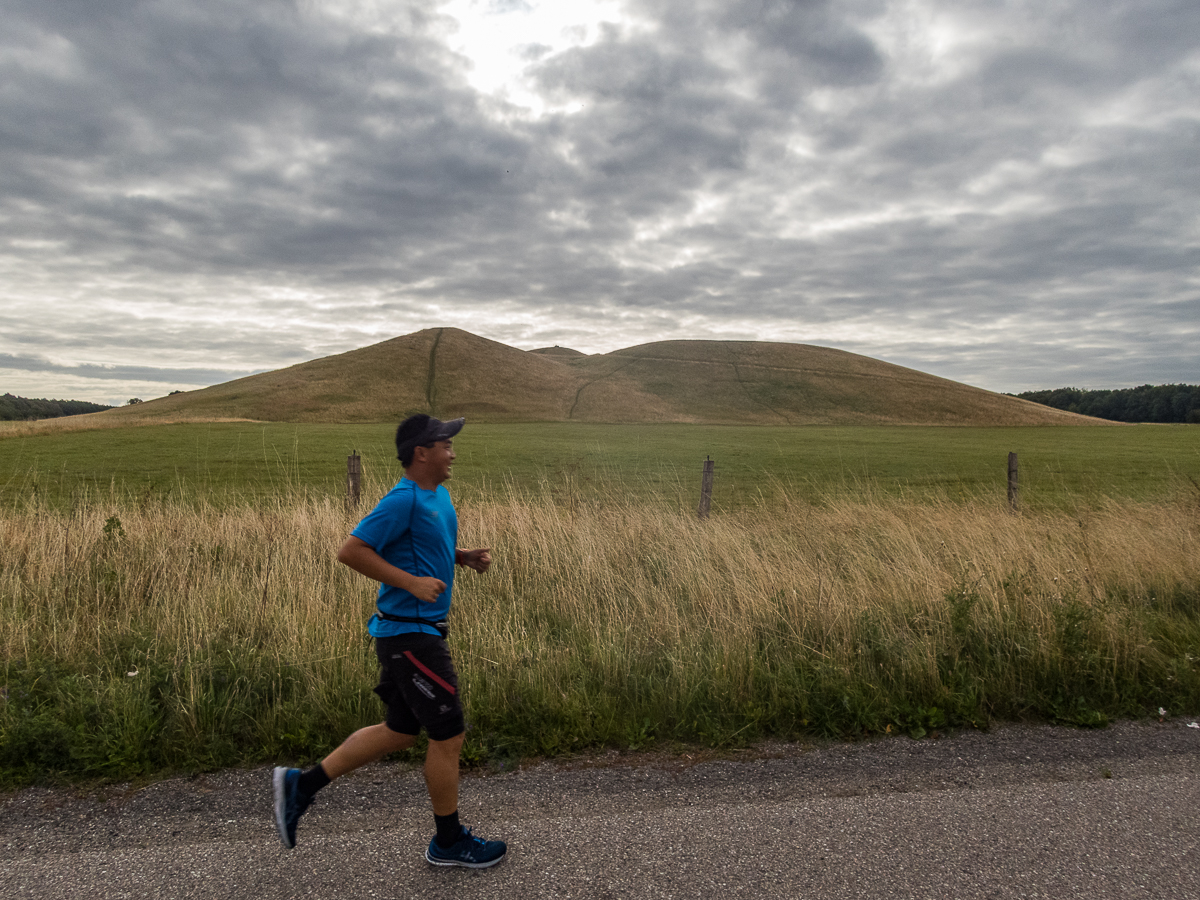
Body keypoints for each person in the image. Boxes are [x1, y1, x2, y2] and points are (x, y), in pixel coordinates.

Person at [272, 414, 506, 869]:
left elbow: (424, 546)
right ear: (422, 452)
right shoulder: (402, 500)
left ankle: (301, 786)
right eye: (445, 445)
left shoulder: (437, 496)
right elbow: (352, 550)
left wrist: (460, 557)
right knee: (449, 733)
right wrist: (412, 584)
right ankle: (449, 841)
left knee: (399, 732)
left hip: (415, 632)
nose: (453, 452)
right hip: (411, 637)